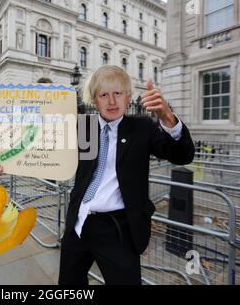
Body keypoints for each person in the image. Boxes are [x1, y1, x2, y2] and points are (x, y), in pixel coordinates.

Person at [58, 65, 194, 285]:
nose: (112, 101)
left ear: (128, 96)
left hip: (119, 228)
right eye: (104, 95)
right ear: (95, 99)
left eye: (118, 93)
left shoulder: (141, 128)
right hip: (79, 222)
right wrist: (12, 163)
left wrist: (167, 118)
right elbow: (53, 154)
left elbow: (181, 156)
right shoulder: (85, 127)